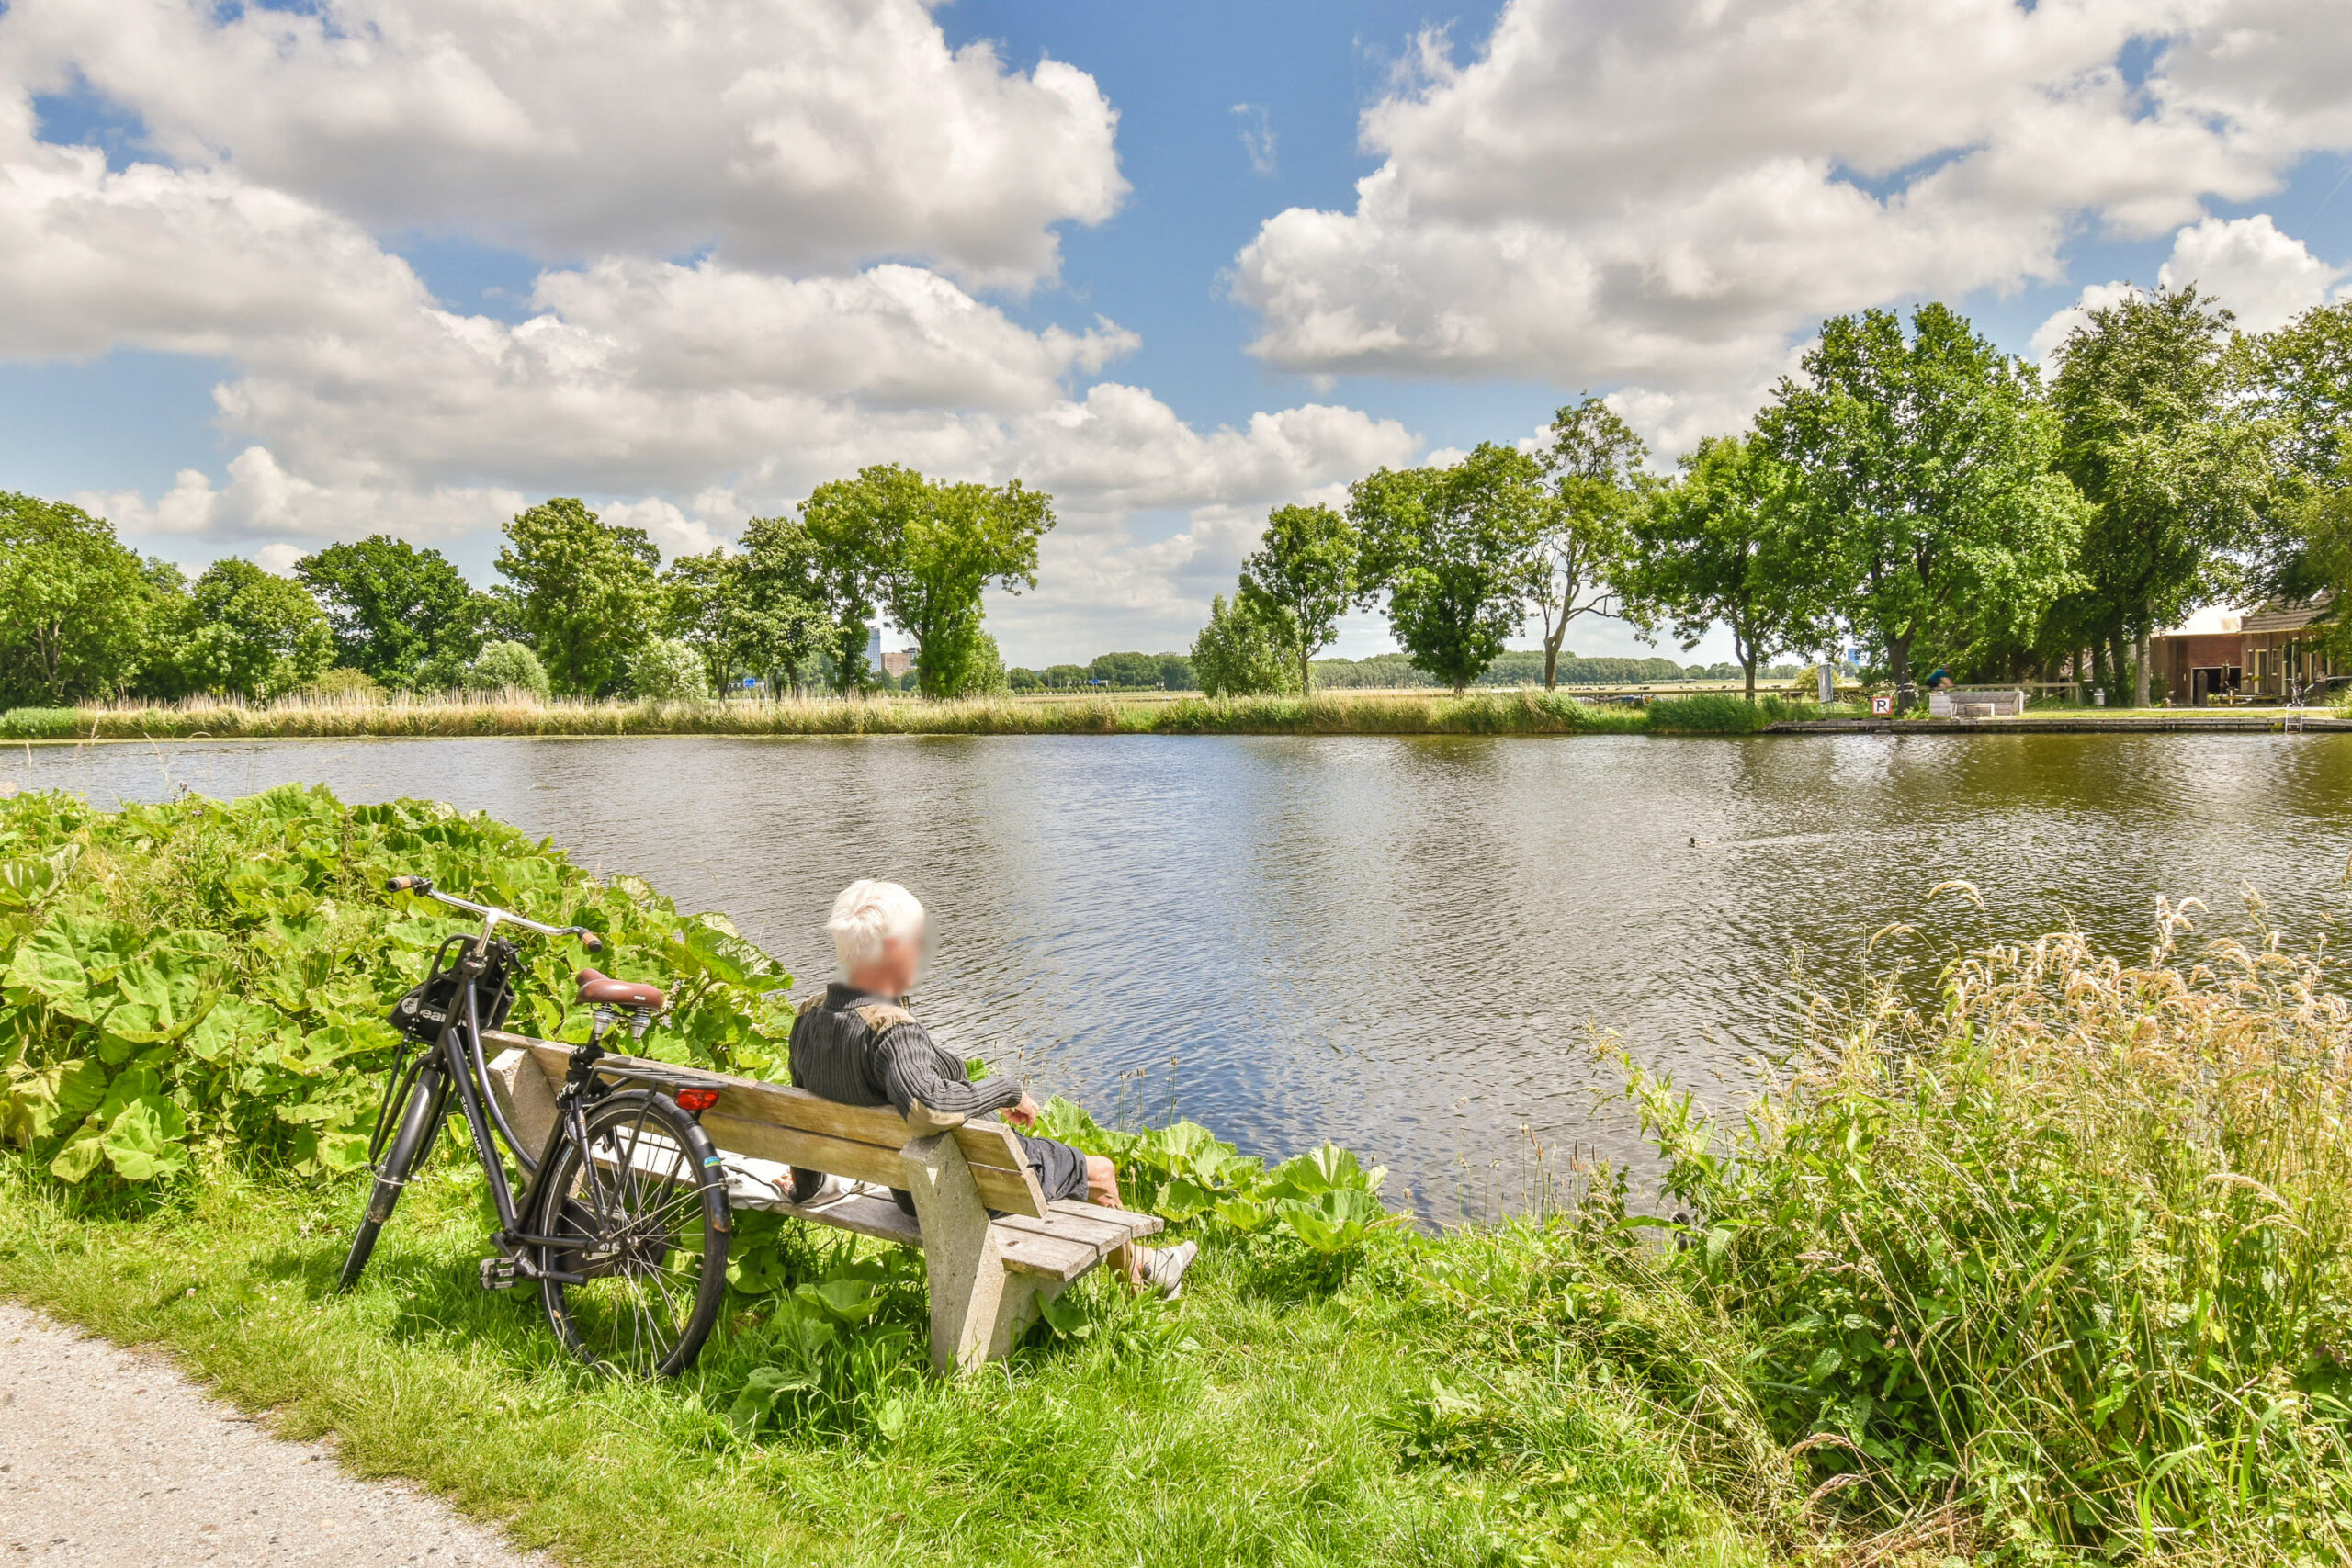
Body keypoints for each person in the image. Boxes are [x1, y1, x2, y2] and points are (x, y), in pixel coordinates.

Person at [786, 878, 1197, 1299]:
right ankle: (1135, 1296)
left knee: (1055, 1162)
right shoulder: (890, 1032)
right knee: (1102, 1172)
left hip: (909, 1184)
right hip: (960, 1184)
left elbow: (802, 1109)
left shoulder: (808, 1019)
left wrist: (804, 1187)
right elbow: (927, 1107)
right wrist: (1007, 1090)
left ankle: (1149, 1263)